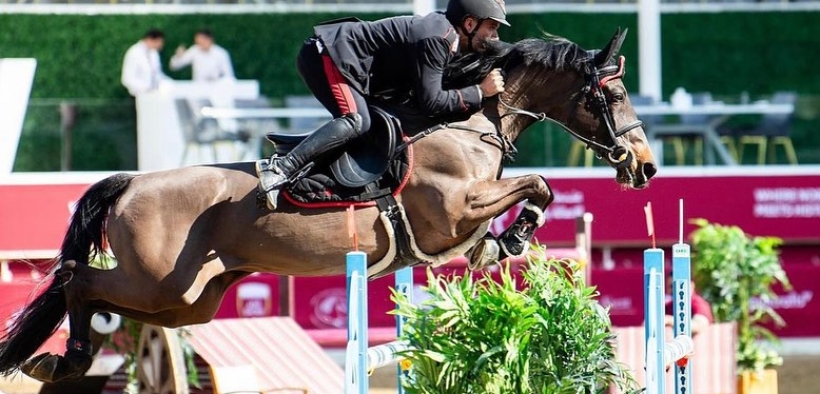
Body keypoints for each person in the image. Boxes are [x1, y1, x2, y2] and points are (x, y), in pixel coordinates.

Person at [255, 0, 508, 210]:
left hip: (349, 67)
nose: (495, 36)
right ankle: (280, 168)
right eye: (492, 27)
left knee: (374, 125)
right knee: (356, 120)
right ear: (470, 23)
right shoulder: (437, 37)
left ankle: (307, 170)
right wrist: (479, 91)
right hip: (330, 55)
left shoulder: (447, 37)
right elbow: (432, 102)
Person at [169, 29, 235, 82]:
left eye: (201, 41)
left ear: (209, 40)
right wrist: (178, 56)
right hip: (199, 86)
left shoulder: (221, 53)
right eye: (197, 42)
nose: (199, 44)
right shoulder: (194, 50)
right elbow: (174, 66)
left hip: (217, 87)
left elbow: (228, 75)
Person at [121, 28, 169, 96]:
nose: (161, 45)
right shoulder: (134, 52)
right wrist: (145, 89)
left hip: (153, 95)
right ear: (150, 39)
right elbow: (127, 78)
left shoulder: (154, 53)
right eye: (159, 41)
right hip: (137, 96)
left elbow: (157, 74)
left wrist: (169, 84)